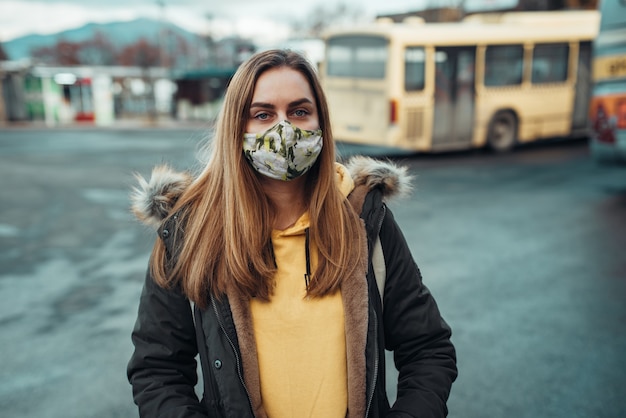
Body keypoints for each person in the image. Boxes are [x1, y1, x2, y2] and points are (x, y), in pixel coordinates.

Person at [127, 49, 457, 418]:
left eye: (300, 111)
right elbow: (158, 371)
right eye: (263, 114)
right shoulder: (190, 232)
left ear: (321, 124)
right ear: (237, 127)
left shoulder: (366, 221)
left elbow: (428, 349)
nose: (283, 129)